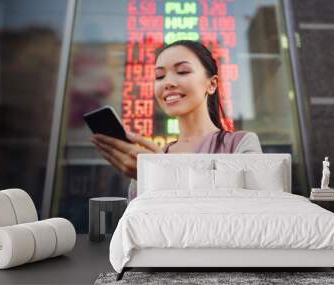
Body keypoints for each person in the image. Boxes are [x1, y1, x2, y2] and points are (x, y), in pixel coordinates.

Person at [91, 40, 262, 202]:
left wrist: (161, 174)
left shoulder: (242, 145)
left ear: (212, 84)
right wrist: (147, 174)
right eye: (159, 76)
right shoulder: (150, 160)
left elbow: (250, 214)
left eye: (182, 72)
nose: (168, 83)